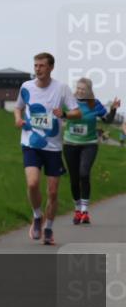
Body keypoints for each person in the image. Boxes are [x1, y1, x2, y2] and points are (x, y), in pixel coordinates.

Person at [13, 53, 82, 246]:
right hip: (31, 144)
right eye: (35, 66)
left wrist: (66, 113)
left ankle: (49, 228)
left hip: (53, 147)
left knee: (52, 192)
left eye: (42, 66)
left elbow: (78, 112)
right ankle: (37, 216)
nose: (38, 69)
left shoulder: (61, 89)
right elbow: (18, 107)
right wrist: (17, 119)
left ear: (51, 67)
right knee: (33, 183)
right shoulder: (26, 87)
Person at [63, 78, 120, 225]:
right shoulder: (69, 102)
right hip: (70, 144)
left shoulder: (94, 104)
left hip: (89, 144)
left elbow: (107, 120)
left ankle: (84, 211)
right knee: (74, 178)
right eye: (79, 88)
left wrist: (113, 109)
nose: (81, 91)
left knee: (84, 173)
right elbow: (59, 115)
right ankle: (77, 209)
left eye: (84, 89)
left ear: (89, 90)